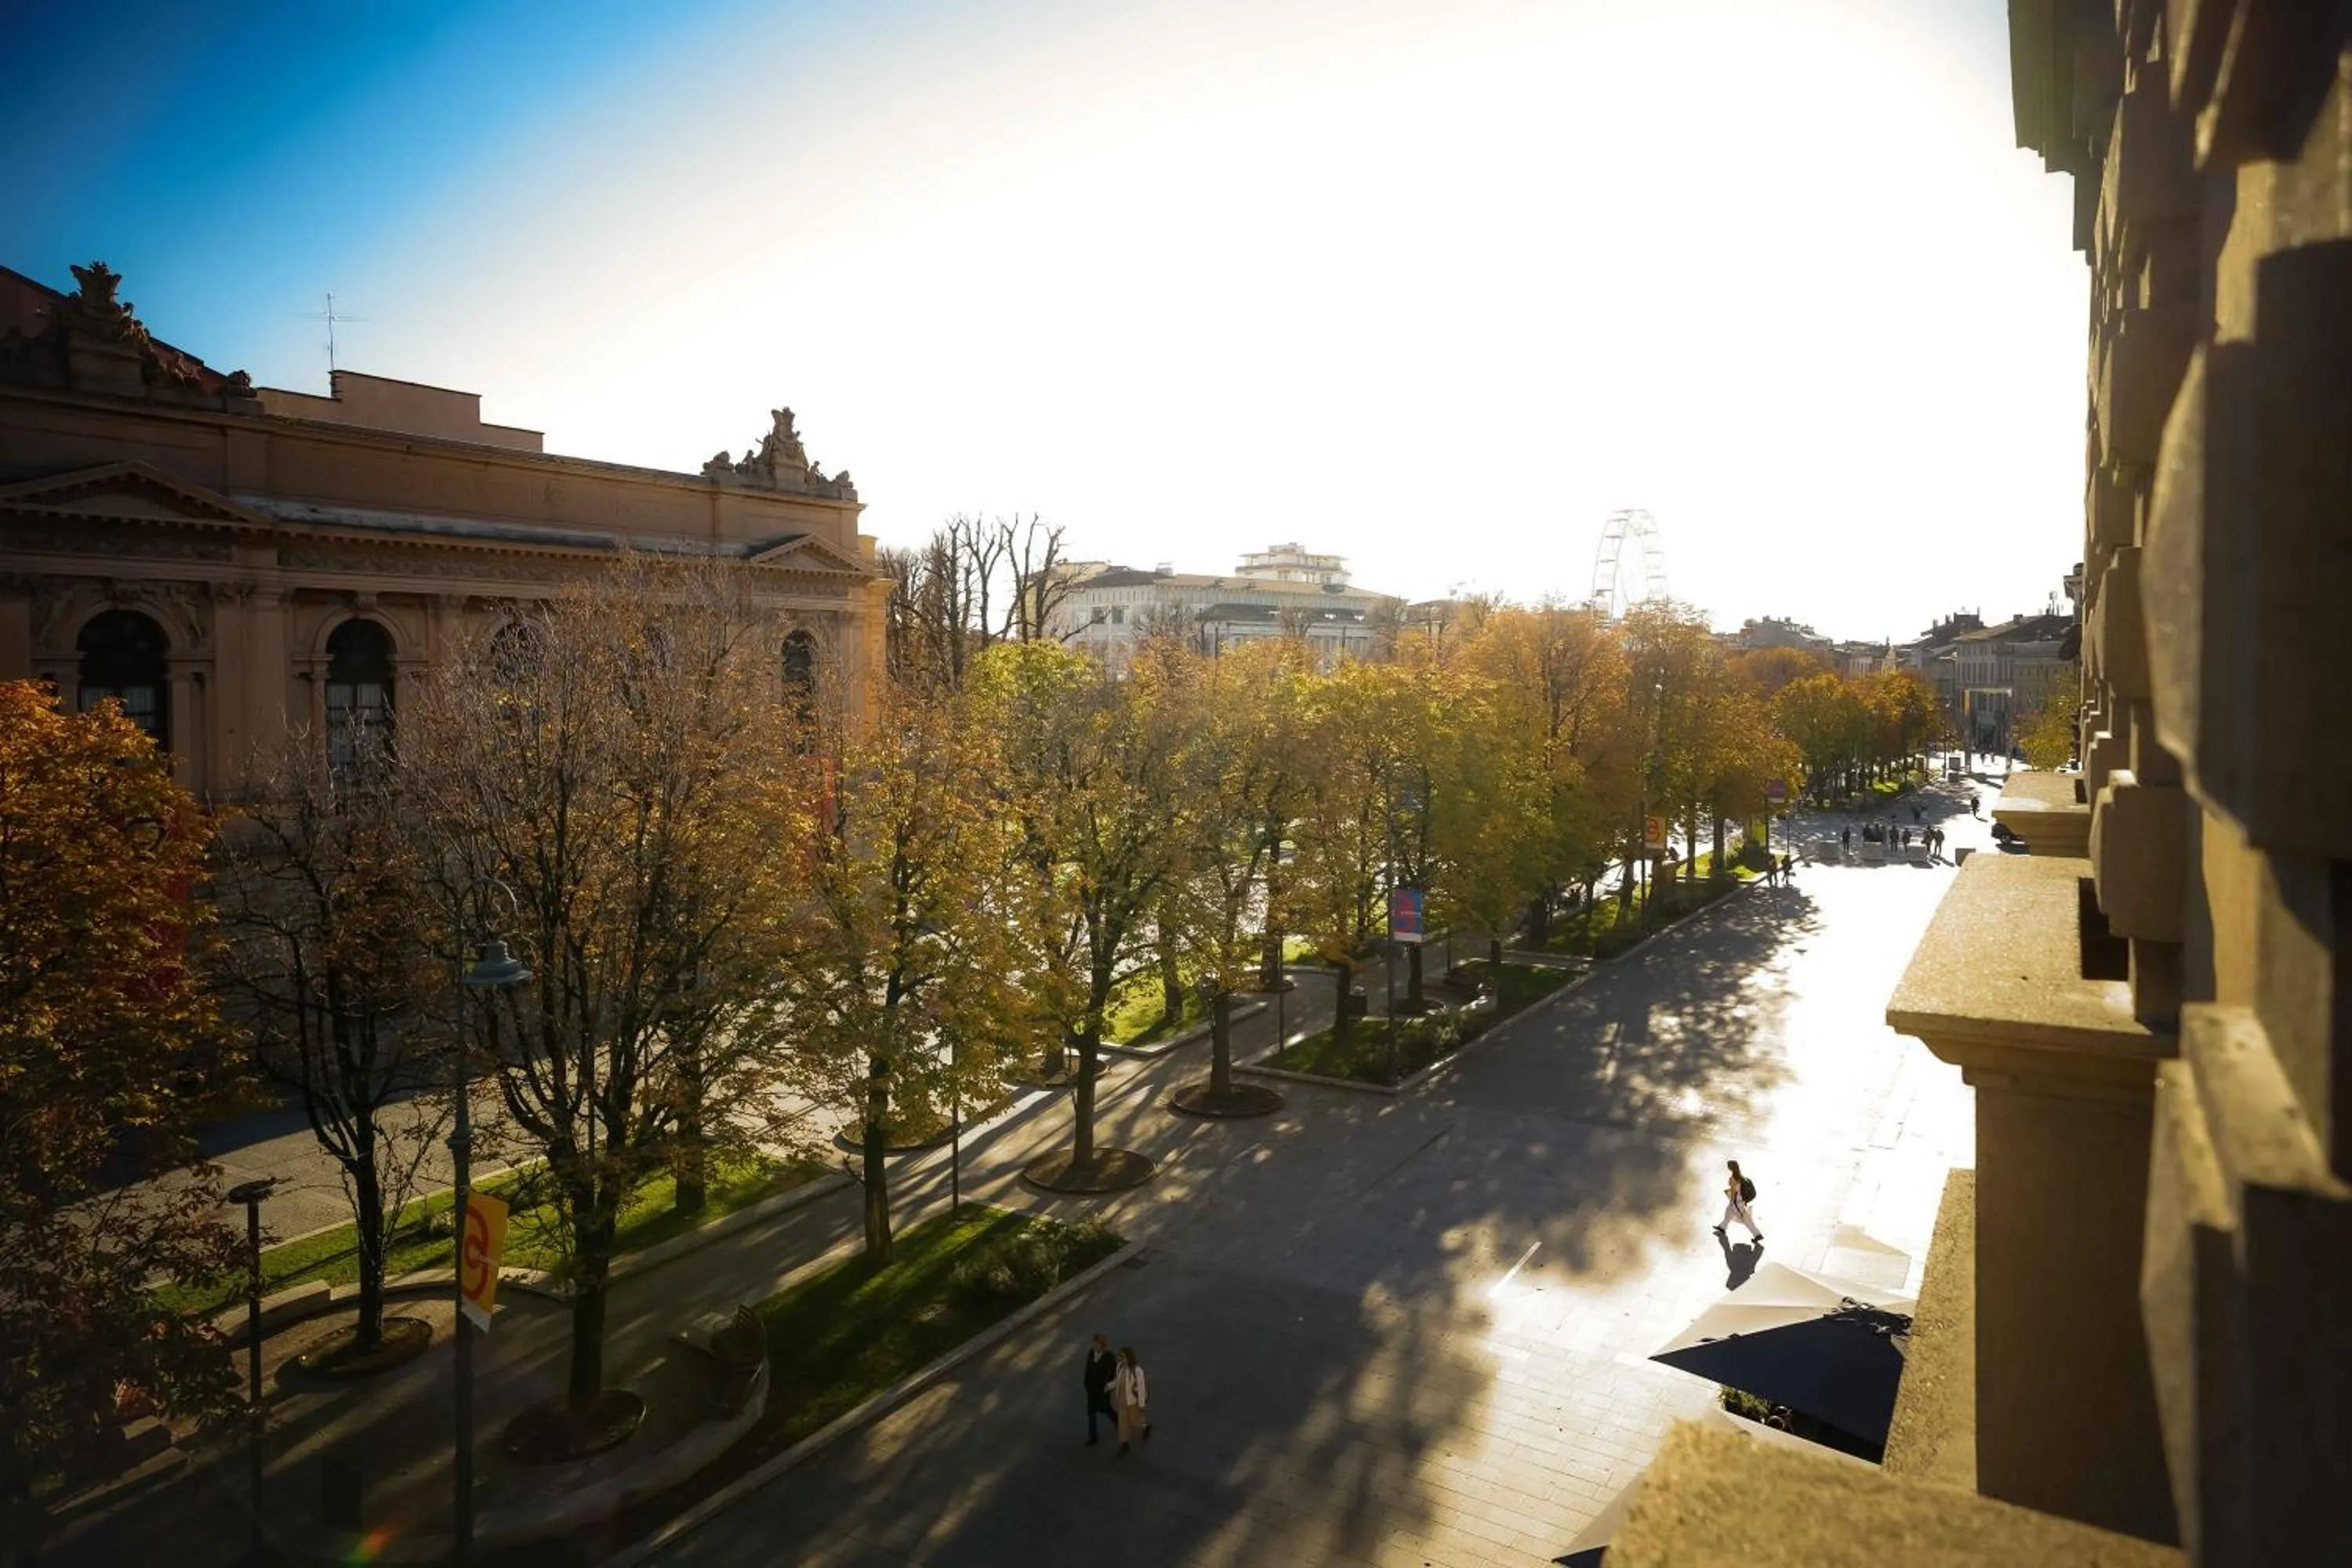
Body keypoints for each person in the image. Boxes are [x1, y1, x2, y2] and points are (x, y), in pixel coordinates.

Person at [1112, 1345, 1152, 1456]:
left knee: (1135, 1421)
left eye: (1123, 1357)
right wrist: (1110, 1386)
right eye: (1120, 1356)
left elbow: (1141, 1387)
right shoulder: (1120, 1368)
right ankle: (1125, 1443)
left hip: (1132, 1401)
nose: (1121, 1359)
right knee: (1123, 1422)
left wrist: (1141, 1403)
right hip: (1122, 1399)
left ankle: (1145, 1426)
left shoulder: (1137, 1370)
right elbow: (1118, 1381)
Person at [1715, 1159, 1763, 1243]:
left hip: (1736, 1202)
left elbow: (1734, 1191)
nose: (1727, 1167)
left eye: (1728, 1166)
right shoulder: (1740, 1176)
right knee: (1728, 1212)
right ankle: (1722, 1227)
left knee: (1746, 1219)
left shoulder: (1733, 1178)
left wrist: (1731, 1201)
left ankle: (1757, 1234)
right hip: (1739, 1200)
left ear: (1731, 1168)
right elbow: (1738, 1189)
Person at [1083, 1333, 1117, 1446]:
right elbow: (1088, 1369)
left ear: (1102, 1345)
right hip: (1092, 1389)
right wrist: (1086, 1383)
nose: (1094, 1346)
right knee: (1091, 1413)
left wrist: (1110, 1385)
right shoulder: (1091, 1353)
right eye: (1093, 1343)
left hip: (1103, 1390)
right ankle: (1093, 1437)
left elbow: (1116, 1372)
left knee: (1106, 1409)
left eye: (1096, 1344)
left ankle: (1118, 1422)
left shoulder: (1109, 1357)